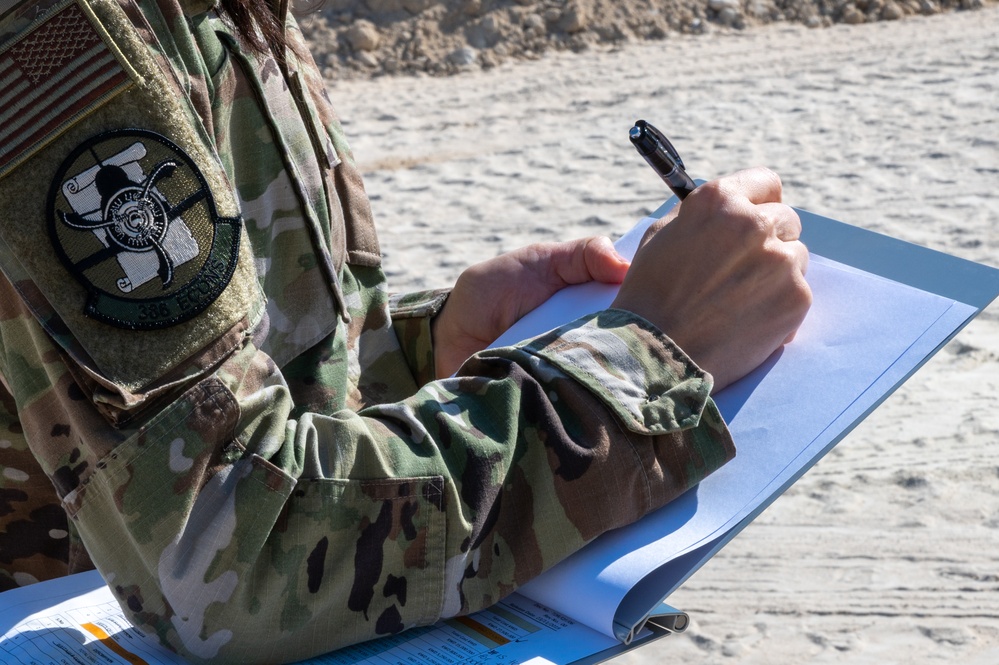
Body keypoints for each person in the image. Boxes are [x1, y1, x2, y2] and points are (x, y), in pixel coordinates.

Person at [0, 0, 810, 661]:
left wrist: (423, 347)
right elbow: (227, 558)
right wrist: (643, 363)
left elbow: (247, 376)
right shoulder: (65, 30)